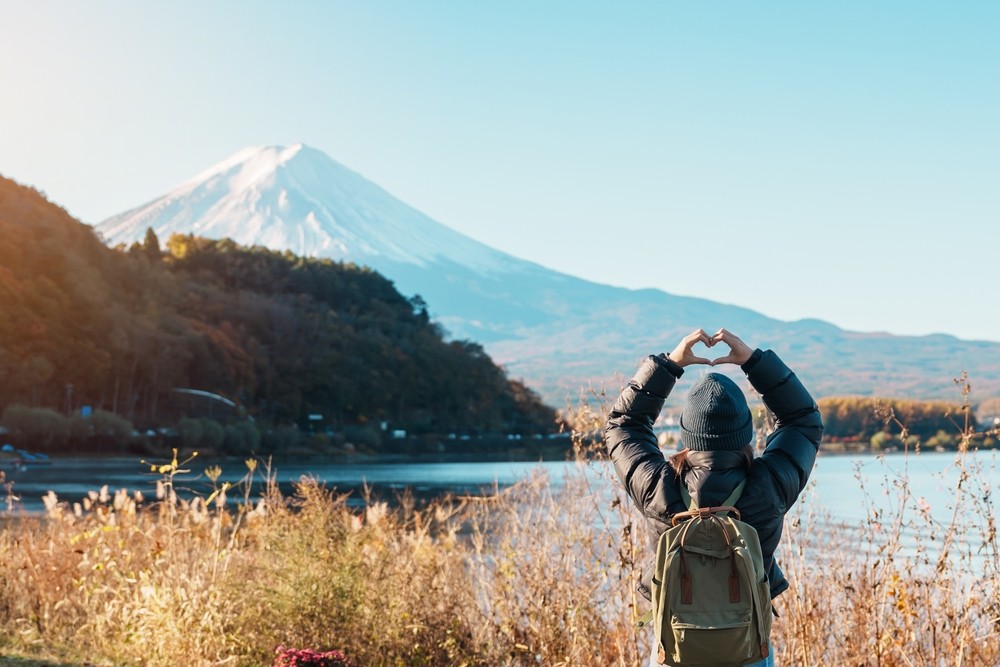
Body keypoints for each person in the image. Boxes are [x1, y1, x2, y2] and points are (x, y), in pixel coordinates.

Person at [604, 328, 824, 666]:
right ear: (745, 433)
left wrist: (669, 364)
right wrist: (754, 362)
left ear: (686, 433)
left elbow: (624, 424)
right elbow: (803, 420)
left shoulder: (657, 488)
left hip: (675, 650)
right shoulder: (767, 486)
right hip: (748, 649)